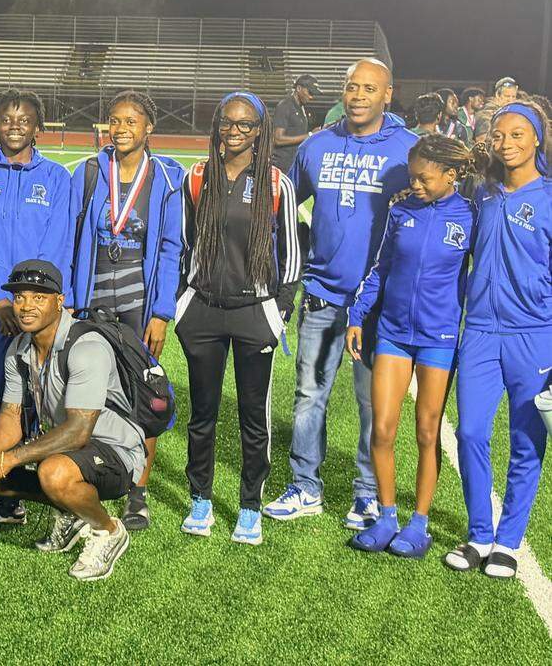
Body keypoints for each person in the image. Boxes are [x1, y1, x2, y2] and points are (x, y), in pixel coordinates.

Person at [265, 57, 417, 528]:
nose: (358, 96)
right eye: (352, 87)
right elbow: (284, 205)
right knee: (309, 395)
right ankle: (305, 486)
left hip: (378, 304)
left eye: (369, 88)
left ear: (387, 94)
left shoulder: (407, 149)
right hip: (322, 294)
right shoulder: (317, 144)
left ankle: (368, 493)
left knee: (374, 403)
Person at [0, 260, 145, 582]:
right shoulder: (19, 348)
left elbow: (79, 431)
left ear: (59, 301)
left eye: (38, 297)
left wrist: (7, 459)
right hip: (66, 448)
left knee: (54, 472)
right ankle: (72, 512)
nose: (26, 306)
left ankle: (108, 530)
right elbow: (11, 415)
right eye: (19, 297)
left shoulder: (87, 346)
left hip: (115, 452)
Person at [177, 91, 301, 545]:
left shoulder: (276, 183)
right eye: (227, 122)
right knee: (202, 414)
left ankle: (250, 507)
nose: (234, 131)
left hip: (254, 312)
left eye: (245, 124)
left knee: (254, 417)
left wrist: (279, 308)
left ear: (259, 130)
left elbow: (292, 253)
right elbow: (184, 243)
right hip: (203, 311)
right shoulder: (196, 176)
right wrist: (183, 301)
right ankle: (201, 500)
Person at [345, 135, 475, 557]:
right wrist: (357, 315)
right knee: (382, 428)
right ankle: (387, 517)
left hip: (439, 338)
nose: (415, 184)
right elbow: (380, 268)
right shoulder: (400, 211)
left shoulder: (471, 215)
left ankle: (419, 524)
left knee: (426, 432)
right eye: (412, 177)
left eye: (423, 178)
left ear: (450, 175)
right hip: (394, 333)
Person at [445, 102, 552, 579]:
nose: (507, 143)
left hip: (536, 334)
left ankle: (507, 542)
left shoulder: (549, 197)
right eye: (499, 135)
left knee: (526, 441)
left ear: (537, 139)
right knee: (470, 432)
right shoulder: (482, 194)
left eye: (517, 134)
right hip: (481, 332)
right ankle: (478, 534)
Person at [69, 90, 183, 530]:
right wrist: (72, 301)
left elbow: (171, 248)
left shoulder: (166, 177)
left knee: (144, 396)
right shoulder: (89, 172)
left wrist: (162, 312)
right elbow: (71, 235)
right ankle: (90, 482)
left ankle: (138, 492)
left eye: (130, 121)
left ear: (148, 127)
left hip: (139, 304)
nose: (120, 129)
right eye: (114, 120)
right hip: (92, 301)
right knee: (88, 393)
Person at [0, 89, 73, 525]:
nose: (14, 126)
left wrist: (29, 302)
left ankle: (16, 489)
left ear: (37, 127)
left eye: (24, 119)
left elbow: (56, 244)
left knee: (34, 402)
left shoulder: (57, 177)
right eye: (6, 119)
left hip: (36, 308)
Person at [271, 74, 318, 171]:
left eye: (313, 94)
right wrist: (310, 135)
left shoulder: (302, 108)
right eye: (309, 92)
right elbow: (278, 139)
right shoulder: (285, 106)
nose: (311, 97)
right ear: (299, 88)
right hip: (282, 166)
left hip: (294, 164)